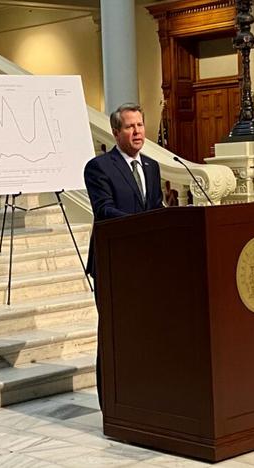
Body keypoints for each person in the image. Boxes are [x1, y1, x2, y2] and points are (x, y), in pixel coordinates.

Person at [83, 103, 164, 407]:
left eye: (140, 125)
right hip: (112, 262)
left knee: (143, 331)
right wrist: (142, 226)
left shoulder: (152, 166)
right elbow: (103, 210)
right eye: (130, 127)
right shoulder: (99, 167)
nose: (137, 131)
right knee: (114, 333)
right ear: (116, 132)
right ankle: (112, 404)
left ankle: (141, 396)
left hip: (144, 264)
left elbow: (155, 208)